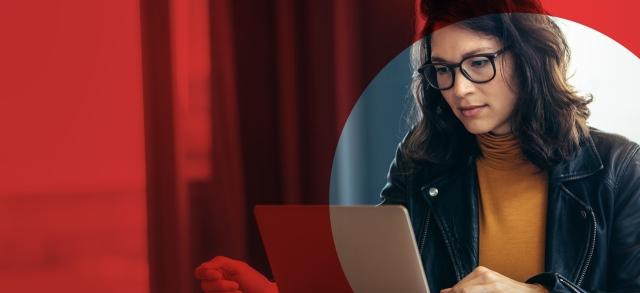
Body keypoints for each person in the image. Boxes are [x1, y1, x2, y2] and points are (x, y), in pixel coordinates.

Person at [195, 1, 640, 292]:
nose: (459, 89)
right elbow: (379, 285)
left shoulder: (619, 168)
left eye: (479, 63)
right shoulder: (421, 160)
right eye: (442, 70)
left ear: (531, 61)